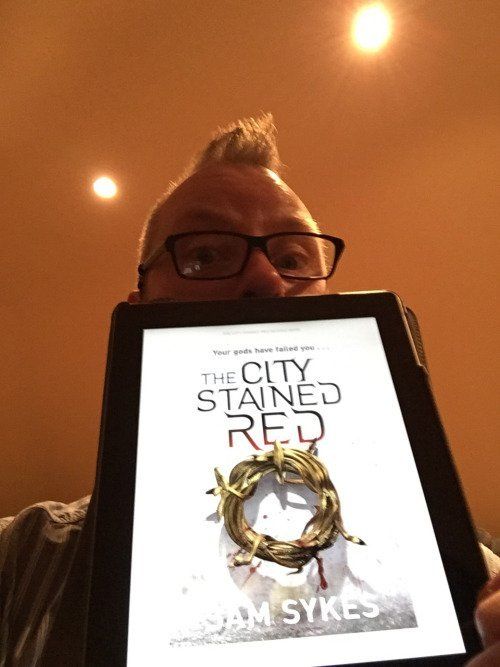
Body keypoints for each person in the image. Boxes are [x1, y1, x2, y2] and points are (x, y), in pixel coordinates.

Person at [1, 115, 498, 666]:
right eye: (204, 255)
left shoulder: (473, 580)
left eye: (292, 259)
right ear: (137, 311)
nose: (266, 279)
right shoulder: (24, 554)